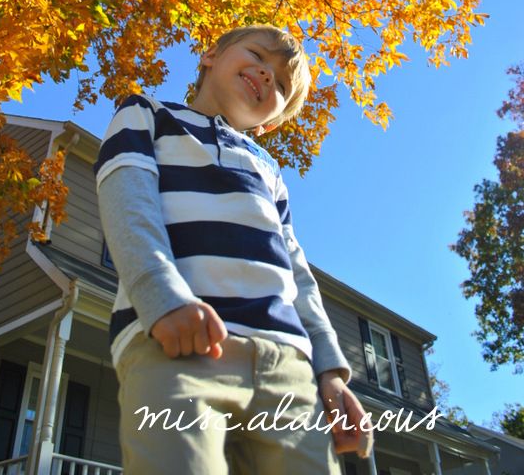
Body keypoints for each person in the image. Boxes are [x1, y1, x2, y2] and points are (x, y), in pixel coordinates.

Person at [95, 24, 373, 475]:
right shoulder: (147, 114)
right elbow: (129, 206)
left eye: (281, 84)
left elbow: (297, 273)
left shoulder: (269, 170)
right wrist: (162, 298)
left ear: (269, 122)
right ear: (209, 55)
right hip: (177, 344)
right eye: (258, 56)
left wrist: (331, 373)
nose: (267, 75)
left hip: (286, 367)